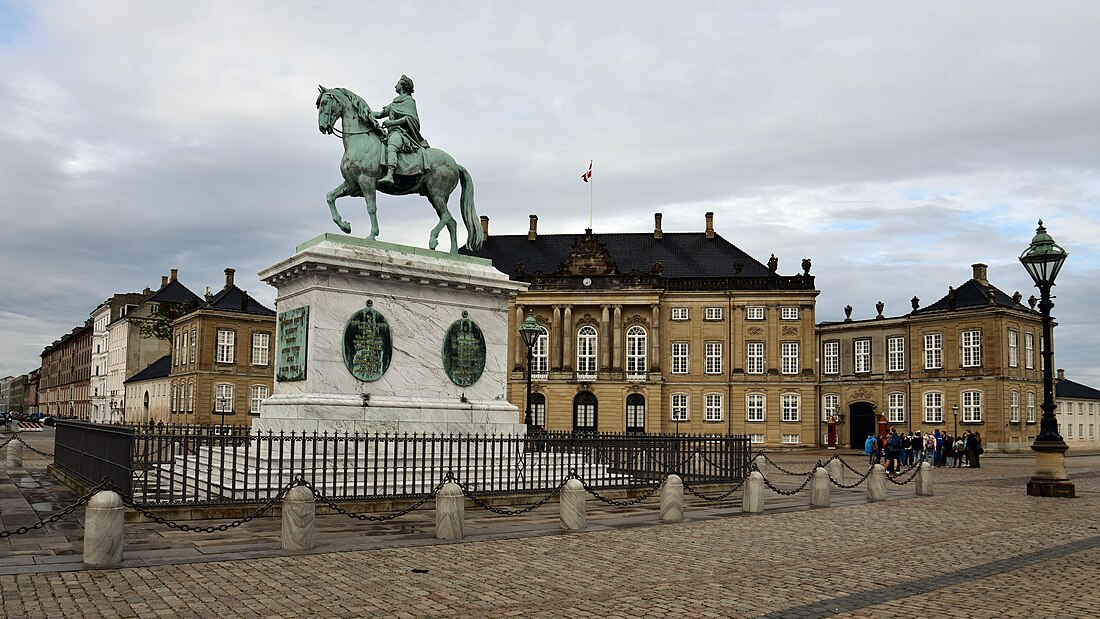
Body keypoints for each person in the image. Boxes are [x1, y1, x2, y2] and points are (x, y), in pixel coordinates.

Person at [373, 74, 430, 185]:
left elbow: (411, 118)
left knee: (392, 144)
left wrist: (392, 122)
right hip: (392, 133)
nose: (395, 85)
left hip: (403, 134)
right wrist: (365, 112)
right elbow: (380, 114)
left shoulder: (409, 101)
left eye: (398, 83)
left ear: (403, 86)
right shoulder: (394, 103)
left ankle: (390, 175)